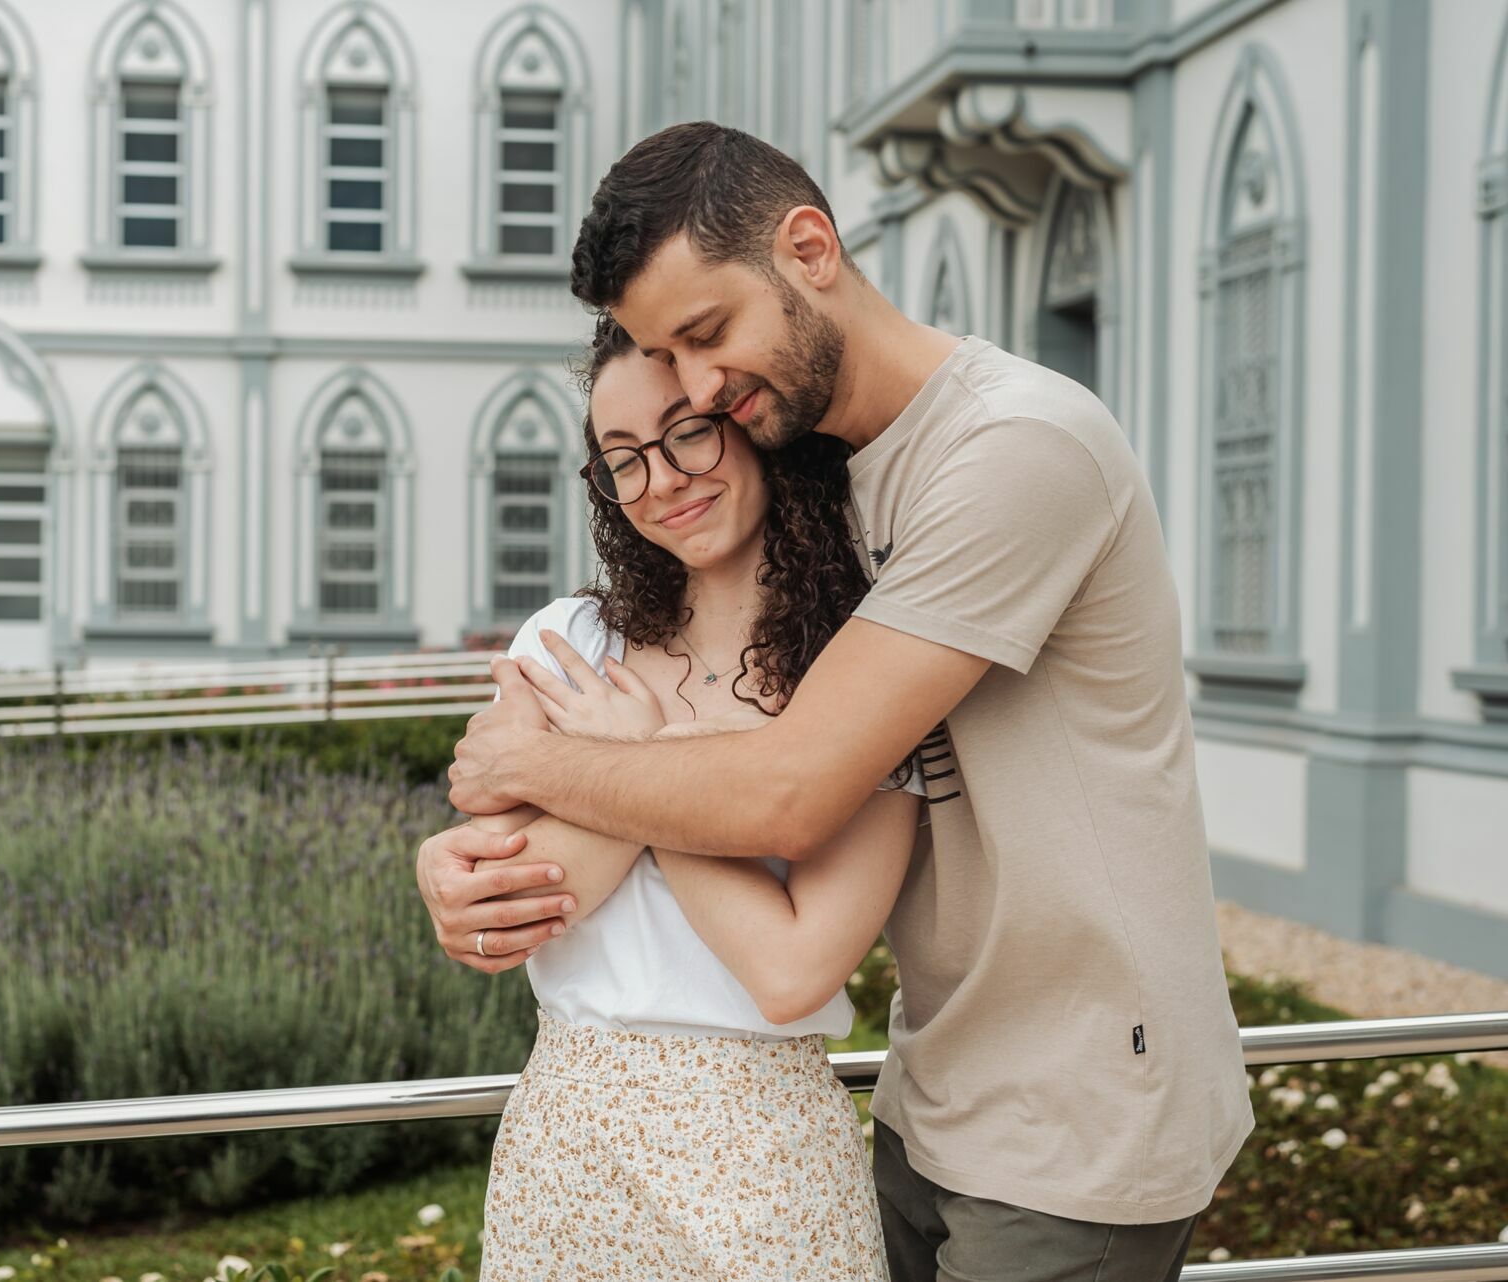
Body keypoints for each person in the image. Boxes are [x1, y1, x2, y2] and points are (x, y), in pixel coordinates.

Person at [419, 121, 1252, 1282]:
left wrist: (533, 762)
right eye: (669, 365)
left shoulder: (1017, 447)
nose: (703, 390)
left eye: (707, 338)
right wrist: (452, 861)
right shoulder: (828, 488)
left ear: (811, 248)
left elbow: (788, 790)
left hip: (1083, 1103)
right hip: (937, 1089)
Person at [470, 316, 917, 1280]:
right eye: (622, 458)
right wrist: (704, 775)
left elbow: (793, 968)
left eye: (687, 432)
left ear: (754, 422)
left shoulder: (866, 669)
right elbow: (528, 901)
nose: (662, 480)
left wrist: (633, 752)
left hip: (766, 1163)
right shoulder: (566, 643)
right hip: (567, 1149)